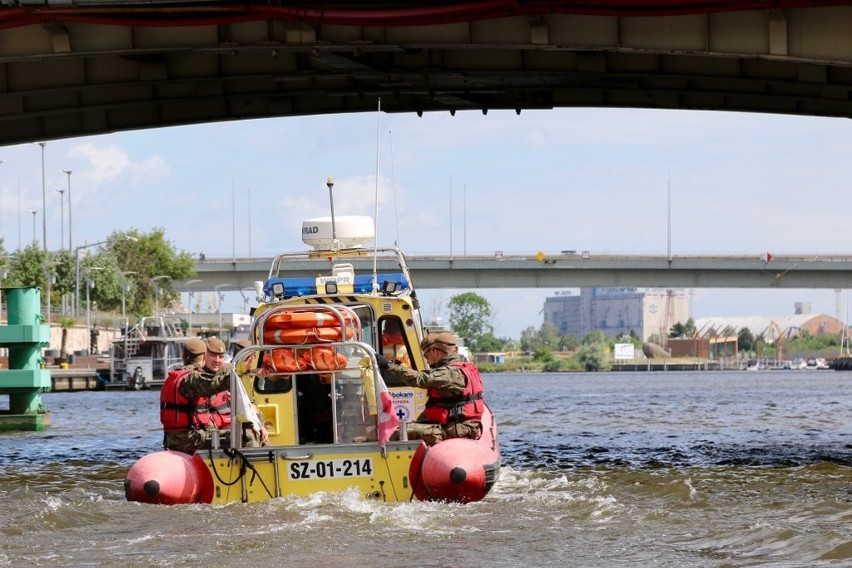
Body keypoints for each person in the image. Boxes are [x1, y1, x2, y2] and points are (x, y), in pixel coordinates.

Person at [377, 332, 485, 446]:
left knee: (391, 432)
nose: (427, 361)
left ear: (435, 351)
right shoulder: (462, 367)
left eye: (426, 356)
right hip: (459, 427)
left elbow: (420, 379)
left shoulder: (450, 373)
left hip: (456, 431)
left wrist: (388, 365)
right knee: (408, 426)